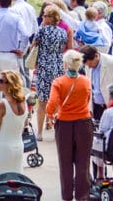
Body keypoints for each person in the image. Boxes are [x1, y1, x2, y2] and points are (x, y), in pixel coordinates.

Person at [46, 49, 93, 201]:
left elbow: (52, 102)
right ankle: (82, 196)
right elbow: (87, 100)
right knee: (83, 162)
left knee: (65, 163)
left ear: (65, 64)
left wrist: (49, 113)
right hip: (84, 122)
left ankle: (67, 195)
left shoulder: (58, 82)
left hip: (65, 123)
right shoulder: (86, 81)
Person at [31, 4, 69, 139]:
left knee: (42, 101)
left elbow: (33, 45)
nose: (43, 17)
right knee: (57, 99)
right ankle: (56, 130)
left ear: (50, 17)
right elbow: (63, 47)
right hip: (58, 65)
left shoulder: (42, 30)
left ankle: (40, 132)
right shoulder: (62, 32)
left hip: (43, 66)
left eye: (45, 15)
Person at [0, 69, 27, 185]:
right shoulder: (24, 101)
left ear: (9, 84)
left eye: (1, 81)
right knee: (14, 183)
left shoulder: (1, 104)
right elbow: (23, 126)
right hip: (18, 145)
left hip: (2, 146)